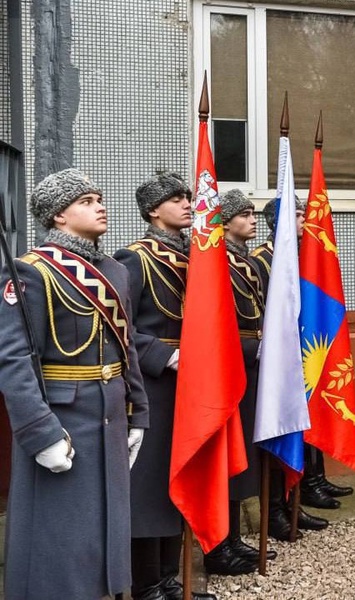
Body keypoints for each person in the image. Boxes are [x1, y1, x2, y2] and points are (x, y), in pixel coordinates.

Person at [0, 168, 149, 599]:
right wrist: (39, 433)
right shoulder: (31, 273)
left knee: (105, 532)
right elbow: (13, 361)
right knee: (60, 539)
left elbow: (127, 350)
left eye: (99, 198)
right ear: (57, 216)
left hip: (111, 413)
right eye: (86, 201)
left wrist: (138, 412)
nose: (100, 205)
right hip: (63, 419)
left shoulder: (114, 272)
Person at [115, 173, 218, 600]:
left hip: (192, 385)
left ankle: (171, 578)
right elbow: (119, 325)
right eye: (176, 199)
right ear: (153, 210)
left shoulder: (198, 256)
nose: (187, 204)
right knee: (150, 484)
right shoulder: (134, 258)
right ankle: (148, 584)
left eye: (187, 197)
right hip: (155, 385)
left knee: (183, 475)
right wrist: (166, 355)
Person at [250, 196, 346, 541]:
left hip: (305, 351)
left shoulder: (303, 257)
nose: (305, 218)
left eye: (304, 211)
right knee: (285, 430)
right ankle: (279, 507)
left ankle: (301, 495)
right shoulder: (262, 259)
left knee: (310, 418)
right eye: (297, 213)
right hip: (278, 359)